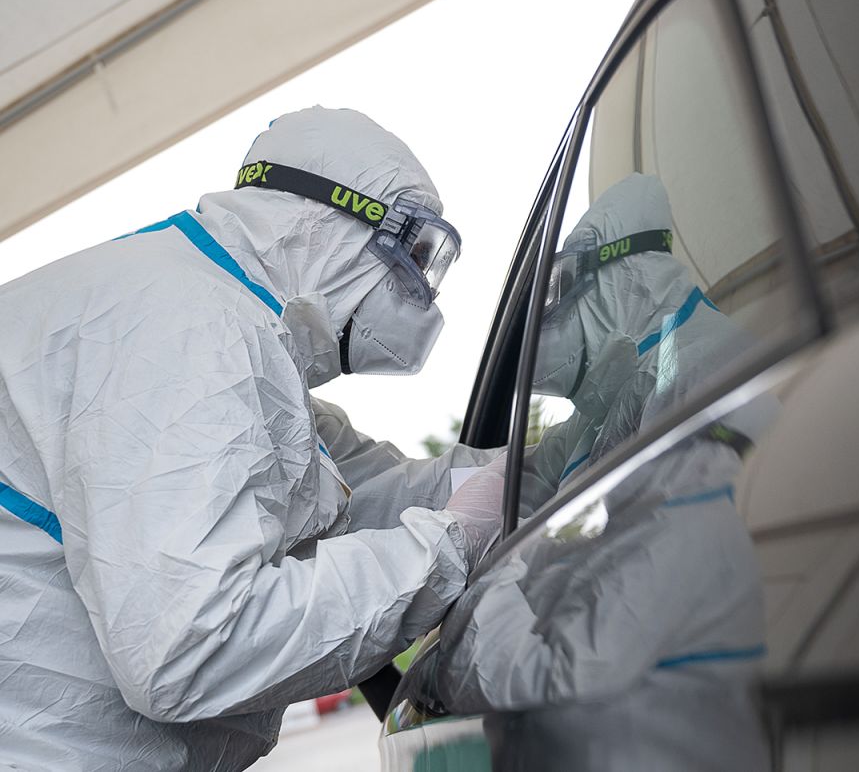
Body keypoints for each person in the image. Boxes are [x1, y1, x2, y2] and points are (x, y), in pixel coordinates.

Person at [0, 107, 503, 771]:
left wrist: (542, 465)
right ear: (331, 226)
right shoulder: (187, 334)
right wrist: (444, 551)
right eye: (412, 258)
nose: (420, 295)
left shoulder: (215, 321)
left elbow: (362, 492)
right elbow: (189, 647)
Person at [427, 174, 772, 771]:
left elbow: (564, 668)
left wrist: (483, 584)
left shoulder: (702, 384)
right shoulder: (620, 402)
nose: (548, 315)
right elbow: (508, 482)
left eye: (561, 286)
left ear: (621, 276)